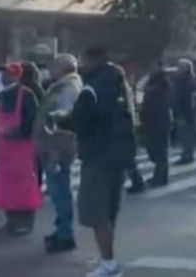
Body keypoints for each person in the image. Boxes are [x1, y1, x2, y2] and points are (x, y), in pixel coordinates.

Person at [73, 46, 136, 277]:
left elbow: (80, 120)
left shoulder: (92, 87)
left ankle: (109, 264)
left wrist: (62, 121)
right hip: (119, 155)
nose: (82, 65)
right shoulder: (120, 83)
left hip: (97, 155)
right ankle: (107, 259)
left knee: (97, 213)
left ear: (92, 59)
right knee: (109, 212)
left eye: (83, 60)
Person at [35, 54, 82, 253]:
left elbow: (64, 120)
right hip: (53, 145)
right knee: (57, 191)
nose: (51, 69)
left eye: (55, 65)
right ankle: (61, 229)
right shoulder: (62, 86)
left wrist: (56, 150)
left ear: (63, 68)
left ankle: (65, 234)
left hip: (58, 147)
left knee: (60, 191)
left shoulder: (67, 89)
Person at [0, 62, 42, 235]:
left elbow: (33, 121)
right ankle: (11, 221)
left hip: (22, 148)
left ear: (17, 76)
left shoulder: (27, 95)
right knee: (7, 186)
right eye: (4, 74)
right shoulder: (1, 96)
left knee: (25, 185)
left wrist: (15, 132)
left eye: (9, 74)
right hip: (5, 150)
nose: (4, 77)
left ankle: (25, 222)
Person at [140, 67, 173, 186]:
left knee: (158, 152)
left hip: (156, 123)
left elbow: (150, 107)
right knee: (159, 151)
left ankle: (160, 177)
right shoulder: (162, 88)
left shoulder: (157, 90)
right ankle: (160, 176)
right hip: (160, 122)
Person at [172, 59, 196, 165]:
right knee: (183, 135)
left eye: (181, 67)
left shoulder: (189, 81)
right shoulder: (178, 79)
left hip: (186, 111)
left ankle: (187, 155)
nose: (178, 69)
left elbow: (192, 98)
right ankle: (187, 154)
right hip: (180, 110)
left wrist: (189, 112)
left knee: (186, 135)